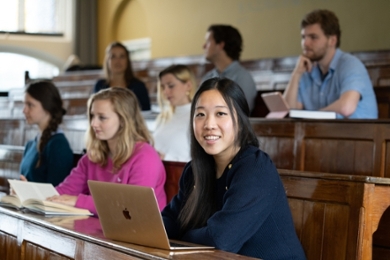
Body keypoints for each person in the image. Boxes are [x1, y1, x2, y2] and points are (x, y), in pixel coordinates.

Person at [162, 78, 306, 259]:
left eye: (220, 114)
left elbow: (221, 239)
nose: (209, 124)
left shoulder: (255, 168)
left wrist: (181, 236)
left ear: (240, 120)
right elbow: (172, 220)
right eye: (200, 115)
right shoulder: (195, 170)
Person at [49, 87, 166, 215]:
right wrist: (33, 193)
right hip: (99, 229)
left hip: (139, 232)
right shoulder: (92, 157)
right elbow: (64, 191)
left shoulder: (145, 157)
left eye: (102, 117)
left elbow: (132, 206)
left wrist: (79, 201)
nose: (93, 123)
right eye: (92, 116)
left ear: (123, 120)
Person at [283, 9, 378, 119]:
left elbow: (346, 108)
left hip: (359, 135)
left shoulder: (351, 65)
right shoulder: (307, 69)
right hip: (325, 135)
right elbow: (288, 112)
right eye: (303, 37)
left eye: (313, 37)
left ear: (332, 40)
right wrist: (296, 74)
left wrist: (311, 116)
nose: (305, 43)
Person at [20, 80, 73, 186]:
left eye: (30, 105)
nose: (24, 110)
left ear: (47, 107)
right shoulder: (31, 144)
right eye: (24, 104)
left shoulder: (58, 145)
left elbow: (56, 193)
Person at [201, 25, 257, 112]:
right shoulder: (208, 76)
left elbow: (240, 112)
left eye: (208, 42)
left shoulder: (243, 77)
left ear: (220, 45)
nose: (204, 46)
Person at [153, 65, 197, 162]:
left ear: (188, 85)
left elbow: (199, 161)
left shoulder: (197, 117)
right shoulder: (163, 117)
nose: (165, 91)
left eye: (171, 86)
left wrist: (165, 157)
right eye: (163, 87)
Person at [94, 42, 151, 111]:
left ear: (127, 61)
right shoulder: (99, 85)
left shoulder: (139, 86)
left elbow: (146, 112)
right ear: (107, 61)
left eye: (122, 56)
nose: (118, 61)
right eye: (113, 56)